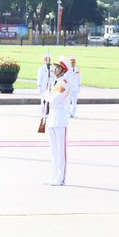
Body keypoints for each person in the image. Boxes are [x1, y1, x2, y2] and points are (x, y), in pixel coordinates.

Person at [46, 58, 71, 186]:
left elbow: (55, 100)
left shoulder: (64, 84)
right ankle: (53, 175)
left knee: (60, 151)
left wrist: (47, 96)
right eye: (54, 67)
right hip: (52, 118)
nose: (54, 69)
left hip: (60, 118)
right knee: (53, 151)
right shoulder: (55, 83)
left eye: (57, 67)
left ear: (63, 70)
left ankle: (60, 178)